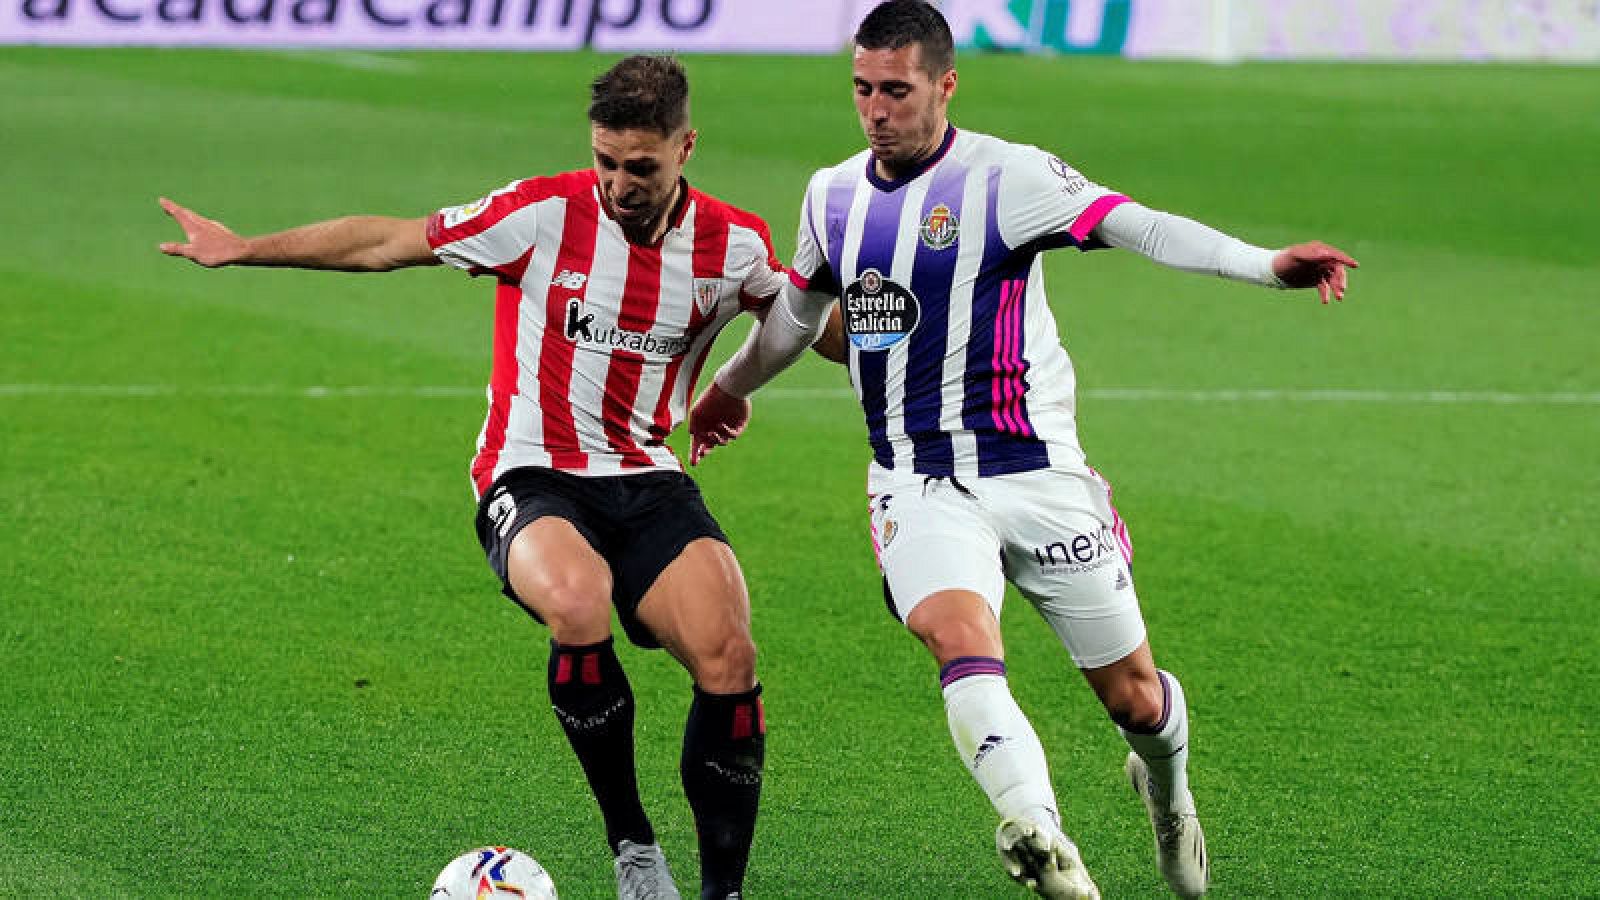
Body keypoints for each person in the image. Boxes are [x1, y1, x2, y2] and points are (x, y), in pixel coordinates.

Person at [687, 3, 1358, 899]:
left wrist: (1265, 264)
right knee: (958, 639)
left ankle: (1167, 793)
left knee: (1136, 702)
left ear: (944, 84)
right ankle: (1040, 835)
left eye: (897, 90)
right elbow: (800, 320)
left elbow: (1143, 226)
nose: (876, 110)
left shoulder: (1010, 177)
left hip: (1039, 476)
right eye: (862, 90)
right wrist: (731, 386)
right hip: (917, 480)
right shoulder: (831, 194)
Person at [159, 55, 786, 900]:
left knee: (730, 656)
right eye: (606, 161)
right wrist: (245, 250)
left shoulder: (733, 243)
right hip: (532, 477)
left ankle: (723, 893)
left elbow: (801, 322)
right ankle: (633, 845)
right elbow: (389, 241)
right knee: (575, 601)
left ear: (685, 148)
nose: (619, 183)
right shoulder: (541, 212)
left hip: (649, 477)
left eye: (641, 166)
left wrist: (776, 361)